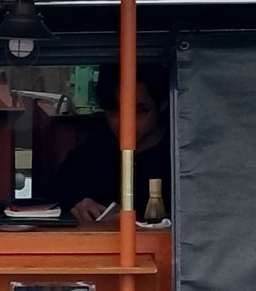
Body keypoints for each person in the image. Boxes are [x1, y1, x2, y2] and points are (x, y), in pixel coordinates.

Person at [41, 66, 170, 227]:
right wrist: (75, 207)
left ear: (162, 105)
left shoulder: (181, 157)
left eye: (139, 111)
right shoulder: (89, 155)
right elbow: (50, 206)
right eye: (115, 110)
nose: (126, 121)